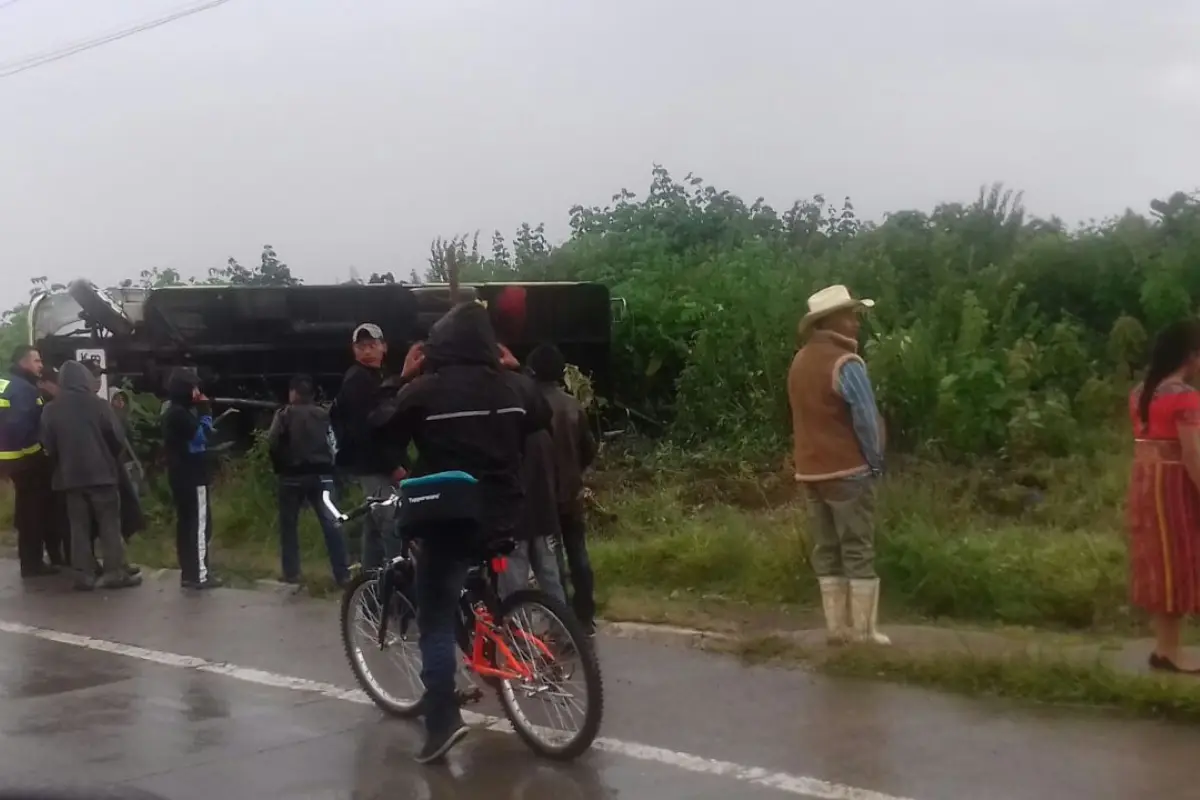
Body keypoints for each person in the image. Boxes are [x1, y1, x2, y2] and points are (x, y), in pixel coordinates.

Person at [370, 302, 551, 764]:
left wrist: (402, 377)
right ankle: (493, 639)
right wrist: (513, 369)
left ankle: (442, 722)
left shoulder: (425, 391)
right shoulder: (513, 386)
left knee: (433, 615)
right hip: (507, 513)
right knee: (481, 574)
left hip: (450, 516)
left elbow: (381, 429)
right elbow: (540, 414)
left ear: (439, 347)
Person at [788, 285, 889, 646]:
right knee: (858, 548)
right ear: (832, 320)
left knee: (826, 548)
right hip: (848, 470)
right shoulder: (847, 363)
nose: (856, 323)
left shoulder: (799, 361)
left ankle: (836, 630)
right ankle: (864, 633)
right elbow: (864, 417)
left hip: (810, 471)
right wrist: (874, 463)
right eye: (850, 315)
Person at [1127, 319, 1200, 673]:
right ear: (1190, 356)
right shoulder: (1184, 396)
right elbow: (1192, 453)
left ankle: (1165, 648)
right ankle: (1170, 652)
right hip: (1173, 484)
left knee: (1160, 562)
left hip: (1144, 481)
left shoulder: (1140, 392)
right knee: (1179, 561)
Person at [39, 361, 141, 591]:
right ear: (85, 379)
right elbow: (117, 440)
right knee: (109, 525)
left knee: (78, 528)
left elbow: (48, 446)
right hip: (102, 476)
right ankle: (114, 572)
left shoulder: (50, 410)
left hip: (69, 479)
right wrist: (109, 459)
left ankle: (84, 575)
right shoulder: (100, 405)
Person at [526, 343, 599, 634]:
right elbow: (588, 449)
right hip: (571, 494)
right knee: (579, 555)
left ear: (532, 370)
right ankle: (585, 615)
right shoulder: (572, 405)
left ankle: (563, 619)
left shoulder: (528, 405)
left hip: (543, 497)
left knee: (552, 564)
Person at [494, 345, 566, 605]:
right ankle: (563, 636)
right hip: (544, 515)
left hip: (513, 521)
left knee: (513, 586)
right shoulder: (543, 432)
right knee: (551, 578)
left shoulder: (503, 430)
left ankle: (517, 639)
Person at [332, 323, 407, 571]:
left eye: (372, 345)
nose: (367, 351)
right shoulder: (358, 380)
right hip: (375, 466)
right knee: (392, 525)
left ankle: (368, 587)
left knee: (374, 529)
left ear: (383, 347)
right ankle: (398, 586)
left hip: (374, 464)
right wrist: (392, 465)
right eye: (361, 346)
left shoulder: (376, 377)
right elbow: (364, 431)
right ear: (354, 351)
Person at [268, 374, 350, 587]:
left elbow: (273, 442)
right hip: (322, 475)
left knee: (289, 526)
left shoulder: (284, 414)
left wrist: (280, 468)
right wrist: (331, 468)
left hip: (291, 477)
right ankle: (342, 573)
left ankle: (292, 573)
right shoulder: (324, 415)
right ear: (312, 394)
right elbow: (334, 444)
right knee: (332, 524)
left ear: (293, 392)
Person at [1, 346, 59, 578]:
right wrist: (38, 453)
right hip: (24, 462)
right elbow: (21, 428)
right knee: (33, 512)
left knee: (24, 510)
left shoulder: (4, 382)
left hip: (7, 461)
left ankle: (30, 560)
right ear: (24, 362)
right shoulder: (25, 391)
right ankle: (33, 564)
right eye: (36, 361)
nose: (40, 366)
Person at [162, 367, 220, 590]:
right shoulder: (181, 415)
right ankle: (200, 575)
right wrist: (206, 412)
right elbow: (201, 437)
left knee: (185, 524)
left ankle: (188, 572)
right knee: (199, 526)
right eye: (194, 387)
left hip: (179, 475)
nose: (198, 391)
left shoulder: (172, 412)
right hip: (193, 477)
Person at [34, 366, 68, 568]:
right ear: (43, 384)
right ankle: (55, 555)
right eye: (55, 384)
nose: (58, 389)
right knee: (51, 514)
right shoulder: (44, 404)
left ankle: (57, 555)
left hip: (52, 466)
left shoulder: (50, 403)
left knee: (55, 514)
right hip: (45, 465)